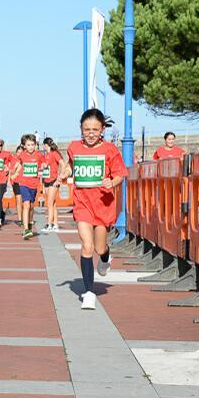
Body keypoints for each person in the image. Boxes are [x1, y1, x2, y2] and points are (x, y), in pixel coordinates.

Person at [67, 108, 127, 310]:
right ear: (81, 129)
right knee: (87, 246)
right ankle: (89, 292)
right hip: (82, 203)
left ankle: (106, 256)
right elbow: (70, 165)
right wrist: (63, 172)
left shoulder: (110, 149)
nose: (90, 133)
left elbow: (120, 174)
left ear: (102, 129)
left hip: (103, 204)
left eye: (95, 129)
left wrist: (113, 182)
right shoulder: (74, 147)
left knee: (99, 248)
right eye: (86, 129)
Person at [12, 134, 46, 239]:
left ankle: (30, 223)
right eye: (28, 145)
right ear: (24, 146)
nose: (31, 147)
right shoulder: (21, 155)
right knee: (26, 205)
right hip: (23, 183)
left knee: (31, 207)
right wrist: (12, 171)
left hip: (34, 184)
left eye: (32, 144)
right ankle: (25, 229)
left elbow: (44, 163)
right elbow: (16, 162)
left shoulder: (38, 155)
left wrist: (44, 165)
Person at [11, 145, 24, 225]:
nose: (19, 154)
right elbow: (11, 172)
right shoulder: (14, 160)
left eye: (21, 152)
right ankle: (20, 219)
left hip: (26, 182)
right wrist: (15, 167)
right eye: (18, 152)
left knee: (26, 202)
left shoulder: (26, 159)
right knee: (19, 200)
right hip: (16, 182)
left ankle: (26, 217)